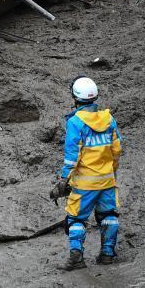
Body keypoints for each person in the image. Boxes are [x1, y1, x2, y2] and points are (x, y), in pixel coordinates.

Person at [49, 75, 123, 270]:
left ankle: (77, 259)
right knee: (109, 215)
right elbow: (117, 150)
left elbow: (72, 156)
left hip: (84, 184)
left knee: (76, 219)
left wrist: (64, 179)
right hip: (107, 181)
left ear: (75, 97)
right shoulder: (109, 118)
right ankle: (107, 255)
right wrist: (111, 171)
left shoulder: (75, 122)